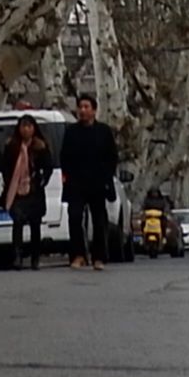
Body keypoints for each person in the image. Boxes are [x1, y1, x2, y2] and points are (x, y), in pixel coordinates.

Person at [58, 94, 121, 272]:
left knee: (99, 221)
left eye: (86, 107)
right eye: (80, 107)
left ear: (94, 110)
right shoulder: (71, 132)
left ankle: (99, 257)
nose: (83, 111)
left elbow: (112, 157)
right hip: (76, 183)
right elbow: (64, 156)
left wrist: (107, 177)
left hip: (97, 183)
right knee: (75, 218)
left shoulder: (103, 131)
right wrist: (67, 176)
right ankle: (78, 255)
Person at [3, 117, 51, 267]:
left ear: (34, 128)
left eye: (29, 127)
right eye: (23, 127)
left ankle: (35, 257)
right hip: (17, 190)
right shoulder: (12, 146)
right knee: (17, 222)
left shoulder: (40, 146)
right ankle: (17, 256)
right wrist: (10, 181)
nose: (26, 130)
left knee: (35, 224)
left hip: (34, 190)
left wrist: (43, 179)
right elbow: (5, 166)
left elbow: (48, 166)